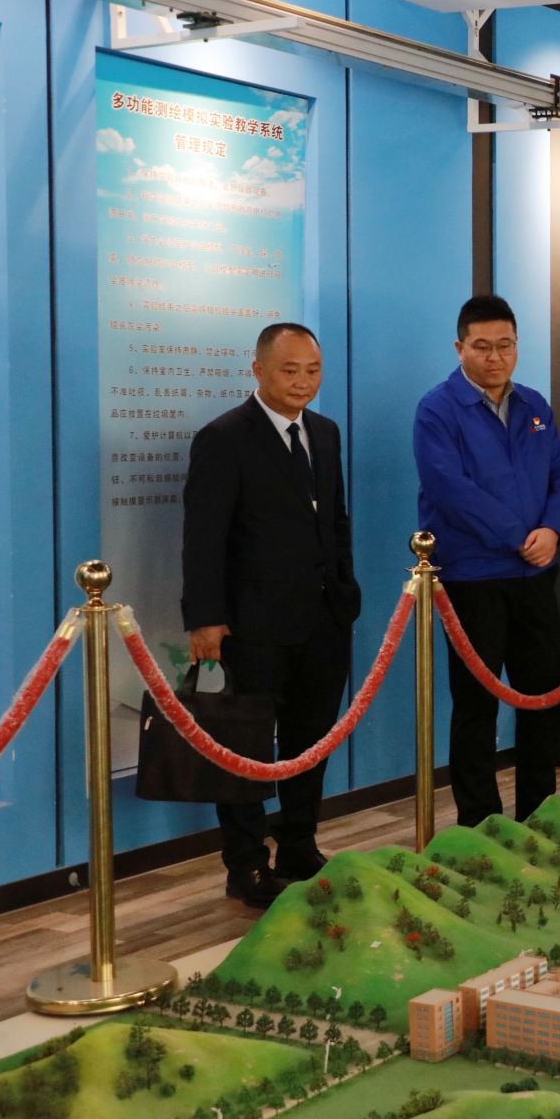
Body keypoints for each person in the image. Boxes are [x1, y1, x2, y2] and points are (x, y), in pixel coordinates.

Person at [182, 322, 361, 907]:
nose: (303, 382)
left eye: (313, 370)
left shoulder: (325, 433)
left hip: (323, 619)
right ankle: (246, 864)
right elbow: (203, 537)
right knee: (247, 749)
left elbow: (335, 521)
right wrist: (205, 618)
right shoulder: (224, 437)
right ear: (258, 370)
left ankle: (299, 845)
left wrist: (345, 589)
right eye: (290, 370)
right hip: (253, 624)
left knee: (312, 741)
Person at [412, 295, 560, 828]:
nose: (494, 357)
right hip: (472, 578)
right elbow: (450, 490)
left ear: (516, 346)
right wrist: (518, 536)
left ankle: (539, 813)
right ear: (459, 348)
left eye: (505, 345)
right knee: (476, 705)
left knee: (542, 699)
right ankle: (480, 821)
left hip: (536, 574)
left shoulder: (534, 405)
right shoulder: (437, 410)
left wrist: (553, 530)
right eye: (481, 347)